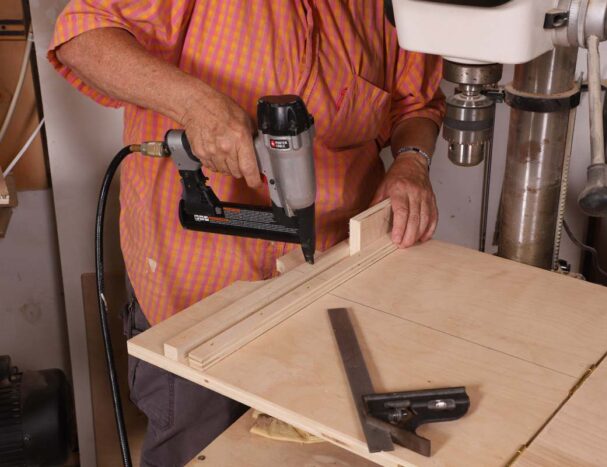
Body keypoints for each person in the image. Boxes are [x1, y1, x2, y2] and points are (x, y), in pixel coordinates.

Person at [49, 1, 444, 465]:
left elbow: (415, 102)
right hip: (194, 299)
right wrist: (197, 105)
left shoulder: (389, 7)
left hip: (323, 289)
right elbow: (82, 36)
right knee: (197, 451)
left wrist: (411, 160)